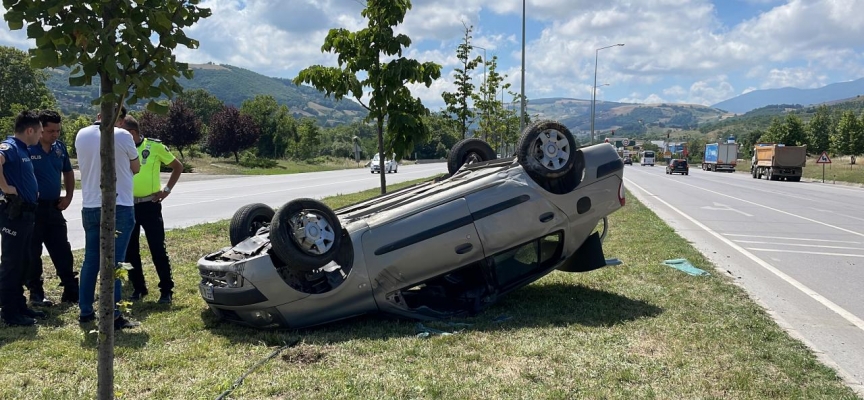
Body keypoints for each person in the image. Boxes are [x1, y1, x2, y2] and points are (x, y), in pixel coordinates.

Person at [75, 107, 141, 330]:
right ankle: (114, 314)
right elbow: (136, 167)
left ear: (98, 115)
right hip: (119, 204)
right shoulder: (122, 135)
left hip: (90, 204)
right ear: (120, 120)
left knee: (91, 259)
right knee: (116, 263)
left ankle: (85, 310)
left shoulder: (81, 134)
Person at [122, 115, 182, 304]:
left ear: (132, 133)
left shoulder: (154, 147)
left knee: (157, 248)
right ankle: (139, 287)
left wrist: (167, 190)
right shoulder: (121, 148)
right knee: (131, 250)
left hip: (150, 205)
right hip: (128, 205)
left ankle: (166, 289)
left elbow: (177, 166)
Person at [26, 110, 77, 307]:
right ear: (39, 129)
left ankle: (71, 289)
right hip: (33, 209)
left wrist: (69, 196)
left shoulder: (59, 148)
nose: (54, 134)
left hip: (54, 206)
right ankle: (36, 292)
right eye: (50, 131)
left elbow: (68, 172)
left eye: (57, 130)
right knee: (33, 252)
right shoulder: (27, 148)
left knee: (62, 249)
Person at [0, 110, 45, 326]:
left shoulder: (23, 150)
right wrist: (5, 187)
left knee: (24, 261)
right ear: (29, 130)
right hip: (14, 215)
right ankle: (9, 312)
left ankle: (20, 306)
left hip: (27, 213)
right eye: (39, 132)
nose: (40, 136)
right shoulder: (9, 147)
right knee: (12, 263)